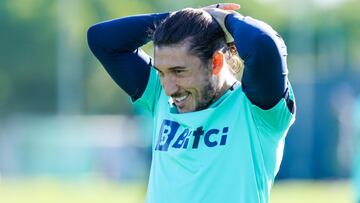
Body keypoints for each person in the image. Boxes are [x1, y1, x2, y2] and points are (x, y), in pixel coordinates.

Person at [87, 3, 296, 203]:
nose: (169, 88)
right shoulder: (160, 96)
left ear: (215, 62)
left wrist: (225, 18)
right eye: (161, 73)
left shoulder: (257, 111)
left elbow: (262, 43)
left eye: (179, 71)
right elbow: (101, 39)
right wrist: (183, 18)